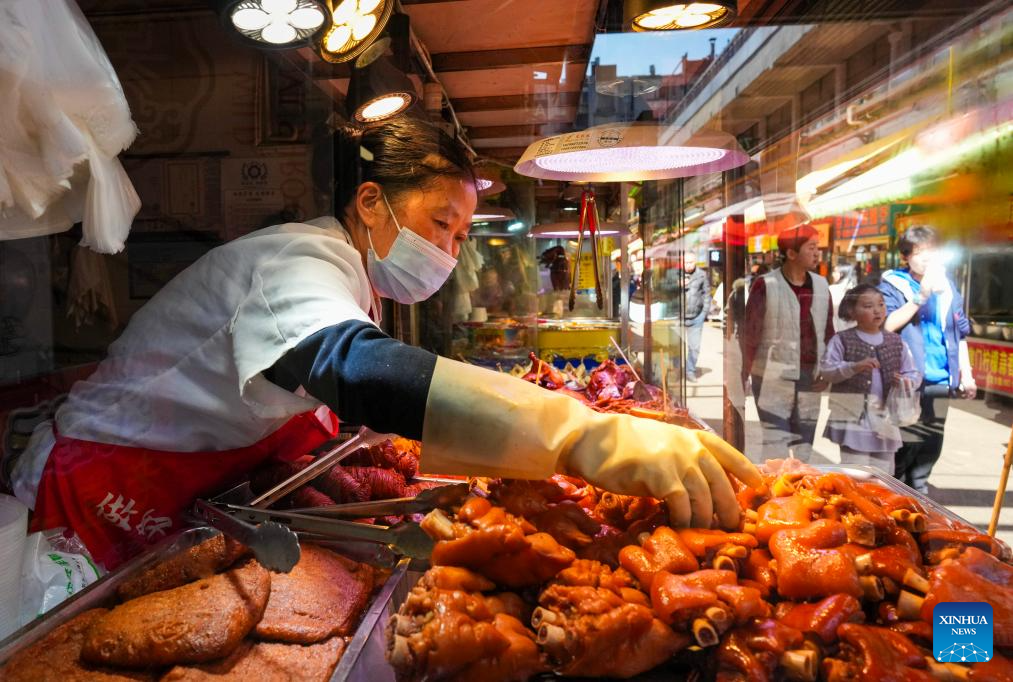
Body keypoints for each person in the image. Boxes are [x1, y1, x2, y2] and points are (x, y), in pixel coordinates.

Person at [6, 117, 760, 568]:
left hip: (193, 475)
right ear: (370, 202)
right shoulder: (294, 260)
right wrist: (580, 434)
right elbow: (351, 367)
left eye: (461, 235)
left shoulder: (349, 275)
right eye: (441, 224)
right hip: (106, 483)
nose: (451, 250)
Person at [878, 225, 975, 493]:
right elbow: (887, 324)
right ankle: (897, 503)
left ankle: (919, 503)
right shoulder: (893, 284)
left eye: (932, 251)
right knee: (904, 449)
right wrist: (920, 296)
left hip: (940, 381)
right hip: (907, 383)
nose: (927, 258)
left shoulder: (948, 288)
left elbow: (960, 333)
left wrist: (966, 374)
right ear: (906, 256)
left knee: (930, 449)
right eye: (919, 252)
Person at [741, 225, 835, 462]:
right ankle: (776, 494)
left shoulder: (822, 286)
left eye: (818, 248)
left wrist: (828, 370)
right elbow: (749, 335)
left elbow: (829, 332)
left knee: (805, 444)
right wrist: (743, 375)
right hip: (772, 377)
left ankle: (802, 492)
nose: (817, 254)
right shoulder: (766, 285)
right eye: (811, 248)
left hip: (810, 377)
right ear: (791, 254)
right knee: (776, 445)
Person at [820, 284, 921, 474]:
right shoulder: (842, 339)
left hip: (886, 418)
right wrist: (853, 367)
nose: (877, 310)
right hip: (853, 418)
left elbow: (913, 372)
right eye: (868, 306)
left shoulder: (896, 341)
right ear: (851, 311)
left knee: (883, 473)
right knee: (854, 471)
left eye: (881, 305)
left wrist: (906, 381)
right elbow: (827, 369)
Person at [682, 252, 709, 382]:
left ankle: (690, 371)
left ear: (695, 261)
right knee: (676, 347)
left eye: (690, 262)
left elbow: (706, 295)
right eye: (685, 262)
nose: (688, 265)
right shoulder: (677, 274)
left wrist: (704, 313)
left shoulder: (702, 275)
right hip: (679, 317)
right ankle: (676, 371)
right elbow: (667, 290)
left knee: (694, 347)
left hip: (696, 317)